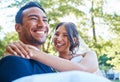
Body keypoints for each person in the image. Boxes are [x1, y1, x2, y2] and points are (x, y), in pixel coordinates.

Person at [6, 22, 102, 75]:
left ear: (75, 40)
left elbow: (83, 70)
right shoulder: (48, 64)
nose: (59, 39)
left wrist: (32, 52)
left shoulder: (88, 55)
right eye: (56, 34)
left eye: (65, 35)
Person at [0, 1, 54, 82]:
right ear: (18, 27)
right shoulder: (13, 62)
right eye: (34, 19)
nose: (42, 25)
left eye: (45, 20)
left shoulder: (49, 64)